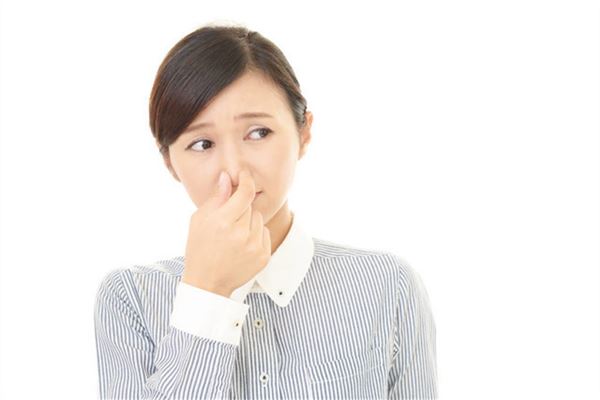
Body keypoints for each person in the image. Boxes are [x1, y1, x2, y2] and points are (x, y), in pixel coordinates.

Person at [93, 23, 438, 399]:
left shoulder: (388, 285)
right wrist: (208, 293)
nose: (234, 169)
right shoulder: (131, 299)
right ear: (170, 163)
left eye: (258, 133)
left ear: (303, 133)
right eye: (202, 143)